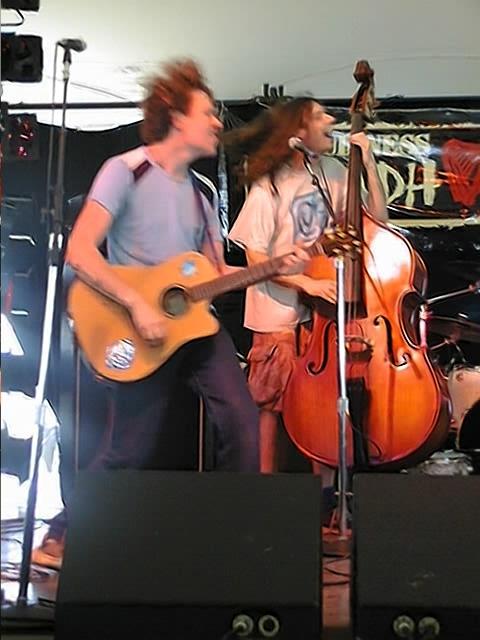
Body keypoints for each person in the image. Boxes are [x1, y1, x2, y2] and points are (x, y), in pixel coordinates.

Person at [32, 59, 308, 570]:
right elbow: (81, 251)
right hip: (135, 329)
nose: (218, 122)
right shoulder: (125, 171)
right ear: (177, 117)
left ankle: (234, 539)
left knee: (242, 422)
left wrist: (276, 266)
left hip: (195, 328)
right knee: (129, 448)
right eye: (207, 113)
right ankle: (64, 535)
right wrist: (138, 303)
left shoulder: (203, 195)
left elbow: (216, 272)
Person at [226, 97, 388, 493]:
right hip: (277, 309)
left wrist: (367, 163)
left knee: (322, 402)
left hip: (323, 313)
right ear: (297, 132)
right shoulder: (269, 185)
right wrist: (306, 284)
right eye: (319, 116)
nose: (330, 119)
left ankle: (326, 498)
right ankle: (265, 492)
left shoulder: (333, 172)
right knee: (271, 403)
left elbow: (378, 223)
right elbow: (256, 259)